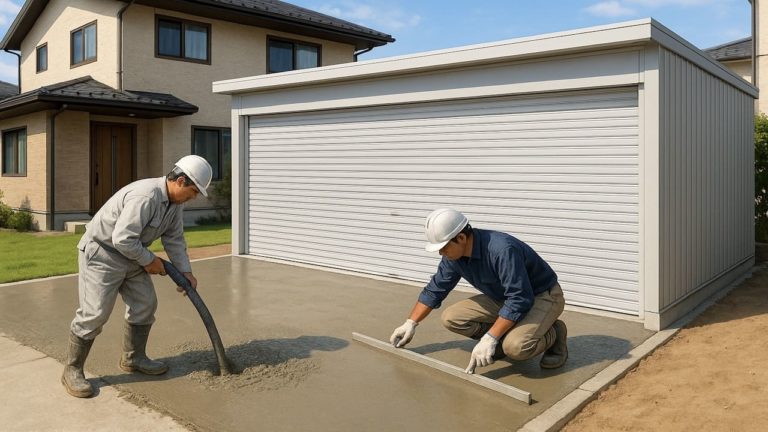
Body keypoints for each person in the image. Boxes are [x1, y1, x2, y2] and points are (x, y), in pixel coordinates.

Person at [61, 155, 213, 398]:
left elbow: (174, 239)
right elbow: (121, 238)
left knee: (145, 304)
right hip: (102, 253)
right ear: (181, 181)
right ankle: (72, 370)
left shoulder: (174, 205)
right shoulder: (147, 196)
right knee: (95, 313)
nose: (194, 198)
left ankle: (134, 358)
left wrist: (185, 272)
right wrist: (150, 261)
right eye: (194, 191)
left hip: (132, 255)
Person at [390, 208, 568, 374]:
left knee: (515, 347)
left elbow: (520, 298)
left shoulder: (502, 250)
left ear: (460, 238)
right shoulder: (454, 257)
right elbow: (435, 289)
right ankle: (503, 336)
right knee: (452, 318)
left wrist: (490, 337)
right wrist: (411, 323)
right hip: (504, 297)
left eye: (443, 247)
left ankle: (554, 333)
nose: (441, 253)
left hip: (542, 296)